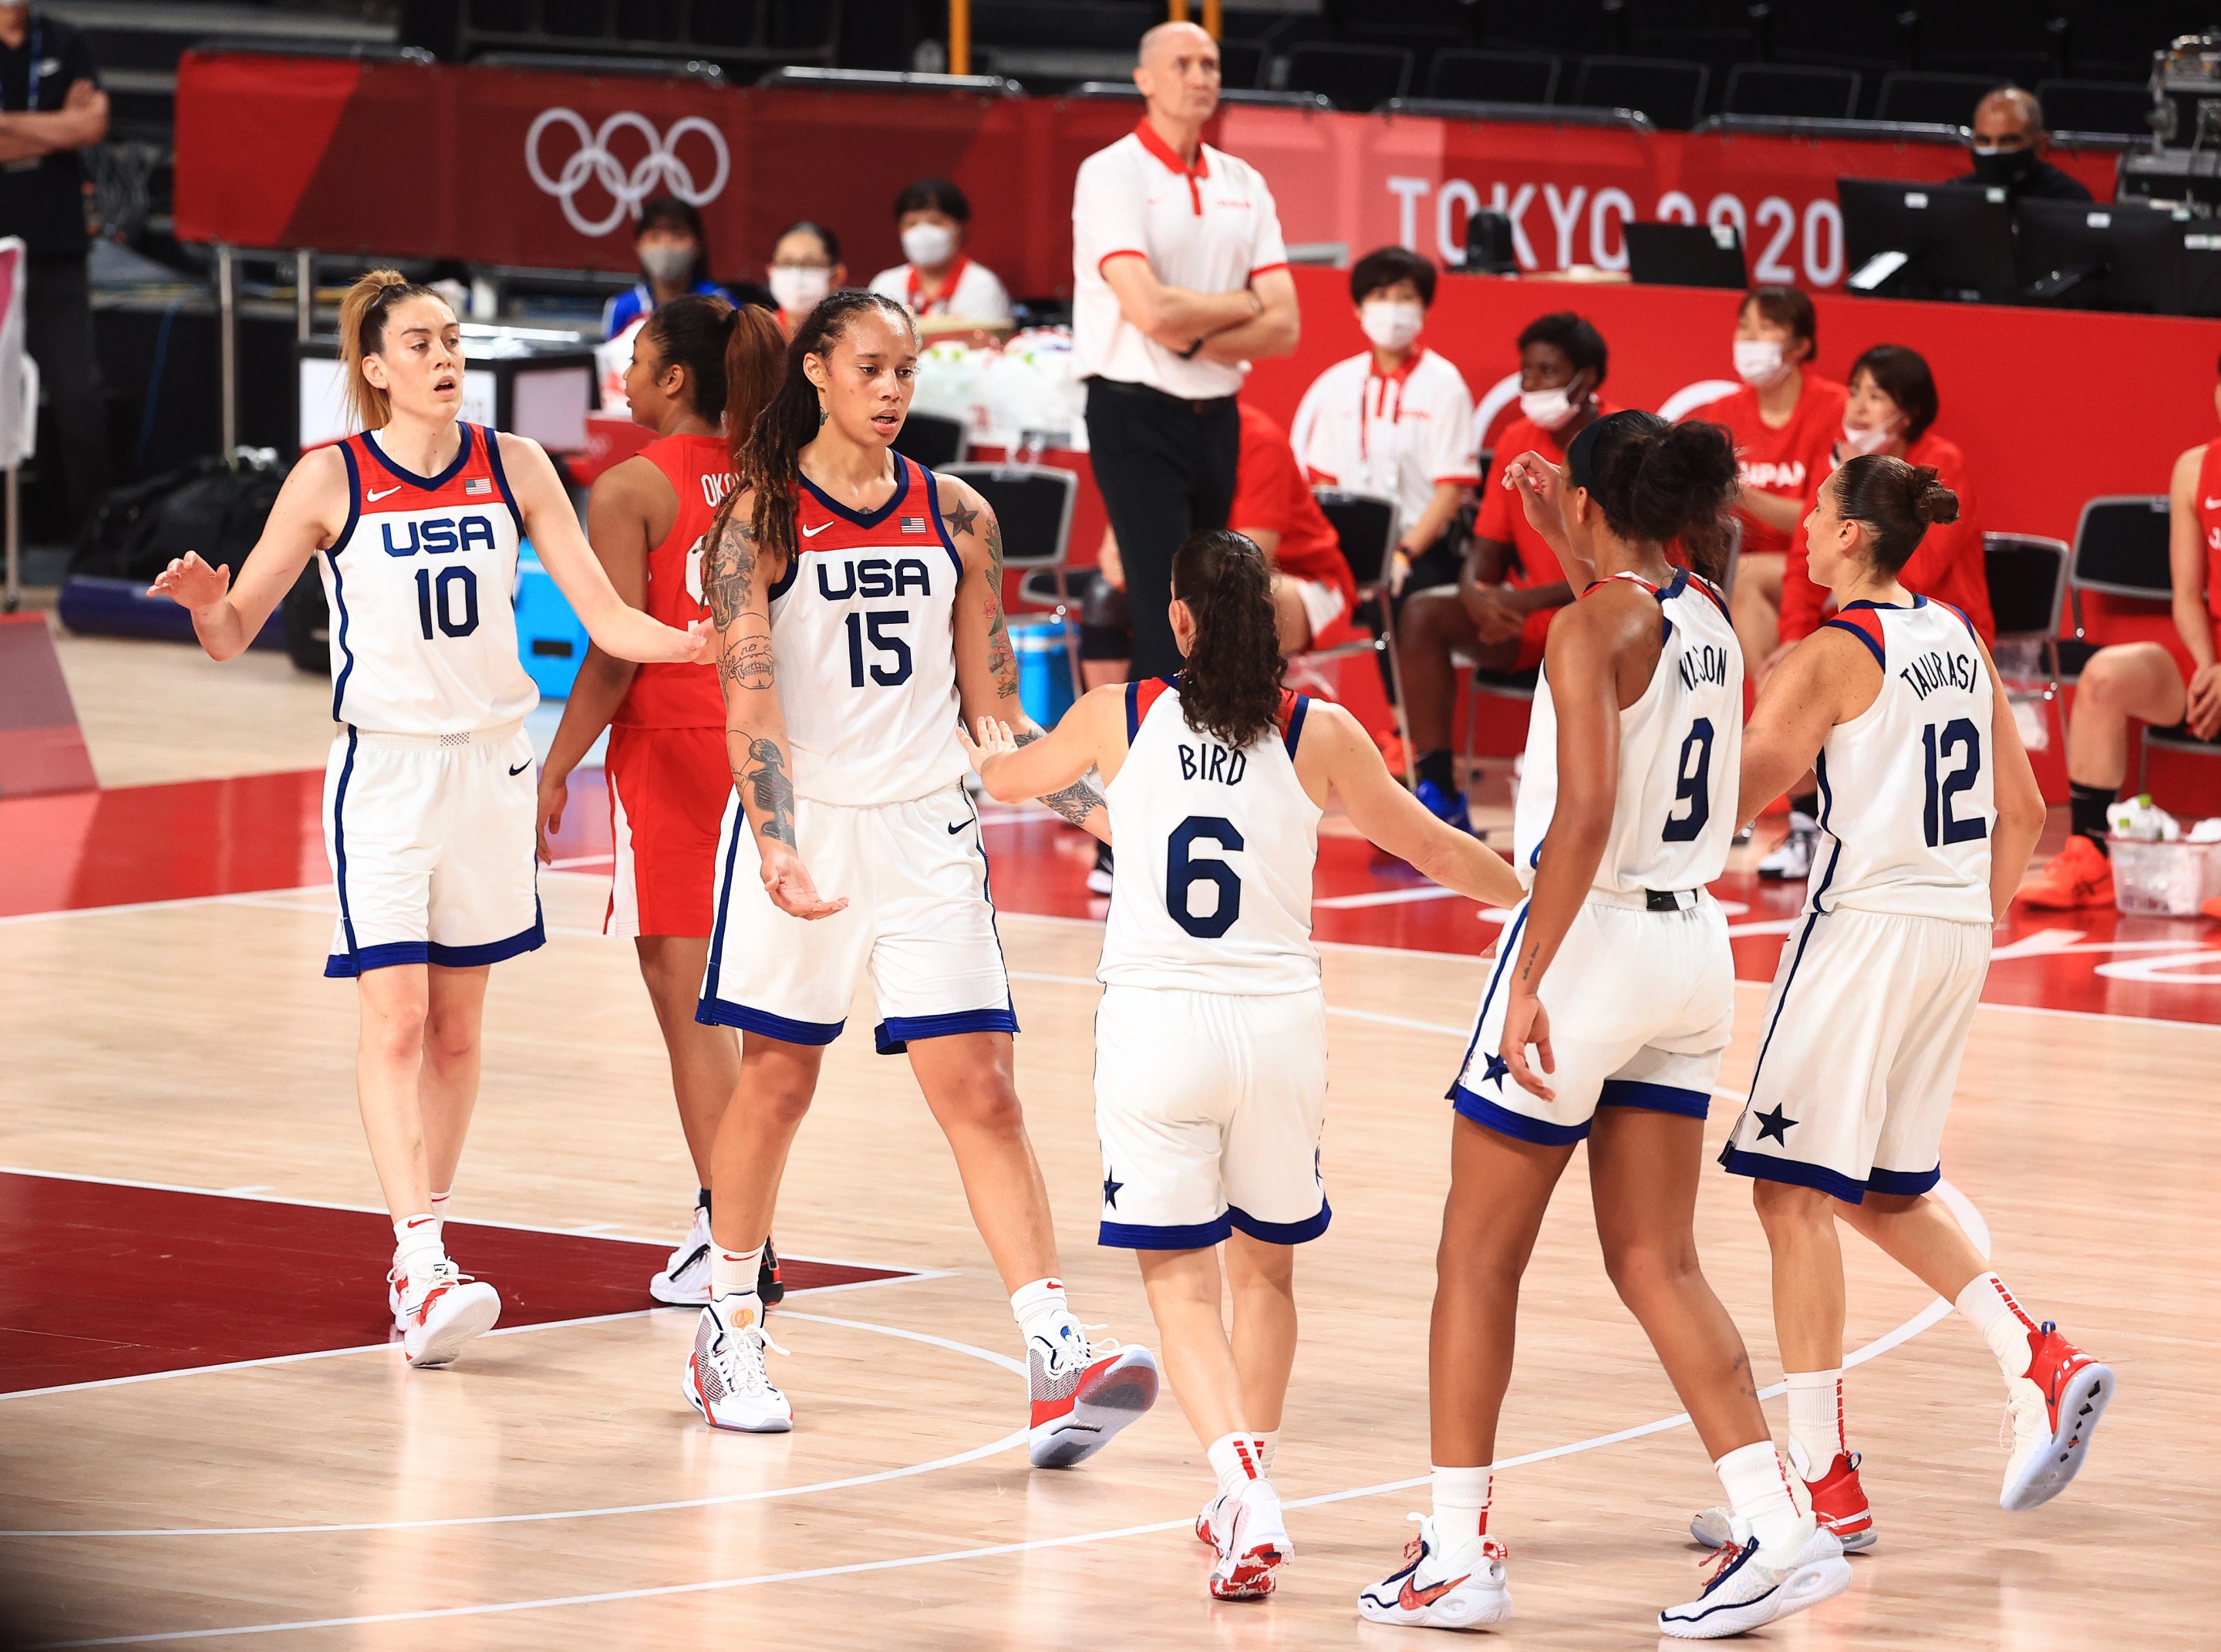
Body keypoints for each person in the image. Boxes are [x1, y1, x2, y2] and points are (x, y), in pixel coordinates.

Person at [149, 273, 709, 1369]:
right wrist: (207, 601)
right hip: (387, 775)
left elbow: (602, 610)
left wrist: (689, 639)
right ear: (375, 367)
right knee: (396, 1019)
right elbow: (232, 632)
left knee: (456, 1028)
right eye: (420, 341)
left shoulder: (516, 464)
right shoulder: (328, 480)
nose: (444, 356)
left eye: (453, 339)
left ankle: (429, 1245)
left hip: (492, 770)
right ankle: (418, 1259)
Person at [962, 528, 1527, 1600]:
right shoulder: (1320, 730)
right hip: (1277, 1030)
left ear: (1177, 618)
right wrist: (1543, 901)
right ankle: (1243, 1488)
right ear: (1265, 619)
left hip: (1158, 1027)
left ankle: (1243, 1487)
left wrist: (983, 737)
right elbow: (1440, 852)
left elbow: (1014, 778)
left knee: (1179, 1282)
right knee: (1266, 1267)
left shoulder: (1117, 715)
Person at [1359, 413, 1852, 1640]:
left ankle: (1459, 1548)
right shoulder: (1710, 616)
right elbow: (1632, 632)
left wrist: (1529, 972)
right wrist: (1565, 538)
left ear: (1586, 502)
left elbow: (1580, 815)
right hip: (1693, 948)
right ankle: (1777, 1520)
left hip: (1593, 941)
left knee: (1475, 1259)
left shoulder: (1589, 627)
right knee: (1657, 1257)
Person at [682, 288, 1160, 1460]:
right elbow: (749, 697)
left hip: (927, 833)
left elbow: (999, 716)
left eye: (908, 370)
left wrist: (1114, 822)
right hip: (806, 829)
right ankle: (728, 1317)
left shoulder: (957, 513)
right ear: (818, 372)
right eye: (873, 368)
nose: (895, 389)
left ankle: (1054, 1350)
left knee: (984, 1090)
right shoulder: (756, 520)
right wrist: (776, 837)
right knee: (778, 1084)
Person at [1700, 454, 2110, 1555]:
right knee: (1880, 1185)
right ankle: (2036, 1351)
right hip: (1952, 930)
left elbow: (1737, 793)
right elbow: (2022, 811)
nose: (1804, 527)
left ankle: (1823, 1480)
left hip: (1866, 930)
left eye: (1819, 512)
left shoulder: (1834, 652)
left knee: (1788, 1197)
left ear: (1846, 538)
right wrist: (1964, 930)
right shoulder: (1958, 637)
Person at [536, 297, 791, 1308]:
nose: (626, 378)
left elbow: (613, 648)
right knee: (756, 1010)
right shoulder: (779, 473)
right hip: (768, 745)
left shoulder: (628, 485)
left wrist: (556, 763)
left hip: (674, 748)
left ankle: (734, 1235)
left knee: (691, 1014)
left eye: (639, 361)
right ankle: (734, 1228)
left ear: (678, 378)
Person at [1073, 19, 1299, 682]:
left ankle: (1201, 747)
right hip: (1134, 411)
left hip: (1217, 415)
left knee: (1210, 595)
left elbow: (1285, 325)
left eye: (1210, 64)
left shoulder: (1244, 180)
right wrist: (1243, 303)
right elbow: (1148, 311)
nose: (1200, 76)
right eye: (1183, 64)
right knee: (1162, 596)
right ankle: (1153, 757)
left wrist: (1191, 328)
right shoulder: (1111, 173)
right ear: (1144, 79)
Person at [1764, 343, 1994, 882]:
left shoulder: (1942, 462)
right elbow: (1801, 564)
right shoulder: (1837, 464)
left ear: (1907, 412)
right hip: (1861, 629)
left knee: (1816, 684)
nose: (1860, 407)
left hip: (1936, 631)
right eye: (1855, 392)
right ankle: (1807, 827)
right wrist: (1799, 639)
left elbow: (1911, 573)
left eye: (1877, 395)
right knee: (1793, 666)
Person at [2017, 360, 2221, 911]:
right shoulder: (2194, 469)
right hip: (2211, 656)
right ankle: (2090, 857)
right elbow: (2186, 595)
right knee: (2105, 675)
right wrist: (2208, 667)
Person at [1397, 312, 1611, 828]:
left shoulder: (1621, 443)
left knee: (1581, 622)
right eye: (1527, 372)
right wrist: (1477, 596)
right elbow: (1486, 548)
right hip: (1525, 619)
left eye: (1548, 372)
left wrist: (1523, 601)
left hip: (1604, 618)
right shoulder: (1518, 436)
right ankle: (1438, 793)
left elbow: (1627, 567)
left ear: (1589, 378)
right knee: (1423, 613)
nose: (1532, 385)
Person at [1288, 244, 1479, 588]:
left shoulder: (1444, 383)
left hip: (1422, 552)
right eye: (1379, 295)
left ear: (1424, 309)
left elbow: (1450, 492)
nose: (1392, 309)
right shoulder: (1339, 382)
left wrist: (1404, 553)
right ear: (1358, 309)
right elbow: (1325, 484)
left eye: (1406, 297)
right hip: (1348, 551)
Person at [1684, 287, 1848, 676]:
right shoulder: (1722, 412)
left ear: (1799, 346)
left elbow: (1824, 520)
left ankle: (1764, 720)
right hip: (1745, 570)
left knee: (1745, 576)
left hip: (1822, 565)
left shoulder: (1835, 409)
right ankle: (1765, 710)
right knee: (1738, 582)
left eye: (1766, 328)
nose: (1748, 339)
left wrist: (1743, 495)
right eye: (1743, 327)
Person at [0, 3, 108, 537]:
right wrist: (55, 127)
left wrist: (7, 128)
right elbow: (71, 126)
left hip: (57, 248)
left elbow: (92, 124)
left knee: (77, 396)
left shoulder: (66, 40)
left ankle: (93, 537)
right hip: (1, 251)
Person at [866, 176, 1012, 326]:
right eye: (911, 223)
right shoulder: (885, 285)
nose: (922, 232)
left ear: (961, 228)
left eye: (935, 222)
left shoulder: (982, 287)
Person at [600, 196, 733, 341]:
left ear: (699, 244)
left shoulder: (720, 305)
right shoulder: (622, 307)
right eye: (655, 237)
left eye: (678, 235)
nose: (666, 246)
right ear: (638, 245)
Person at [1950, 86, 2092, 203]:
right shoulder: (1955, 197)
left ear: (2040, 144)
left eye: (2008, 141)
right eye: (1984, 141)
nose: (1994, 150)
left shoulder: (2068, 201)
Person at [767, 221, 844, 338]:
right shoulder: (760, 334)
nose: (796, 274)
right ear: (771, 271)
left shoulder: (849, 336)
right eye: (786, 263)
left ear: (837, 276)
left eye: (810, 264)